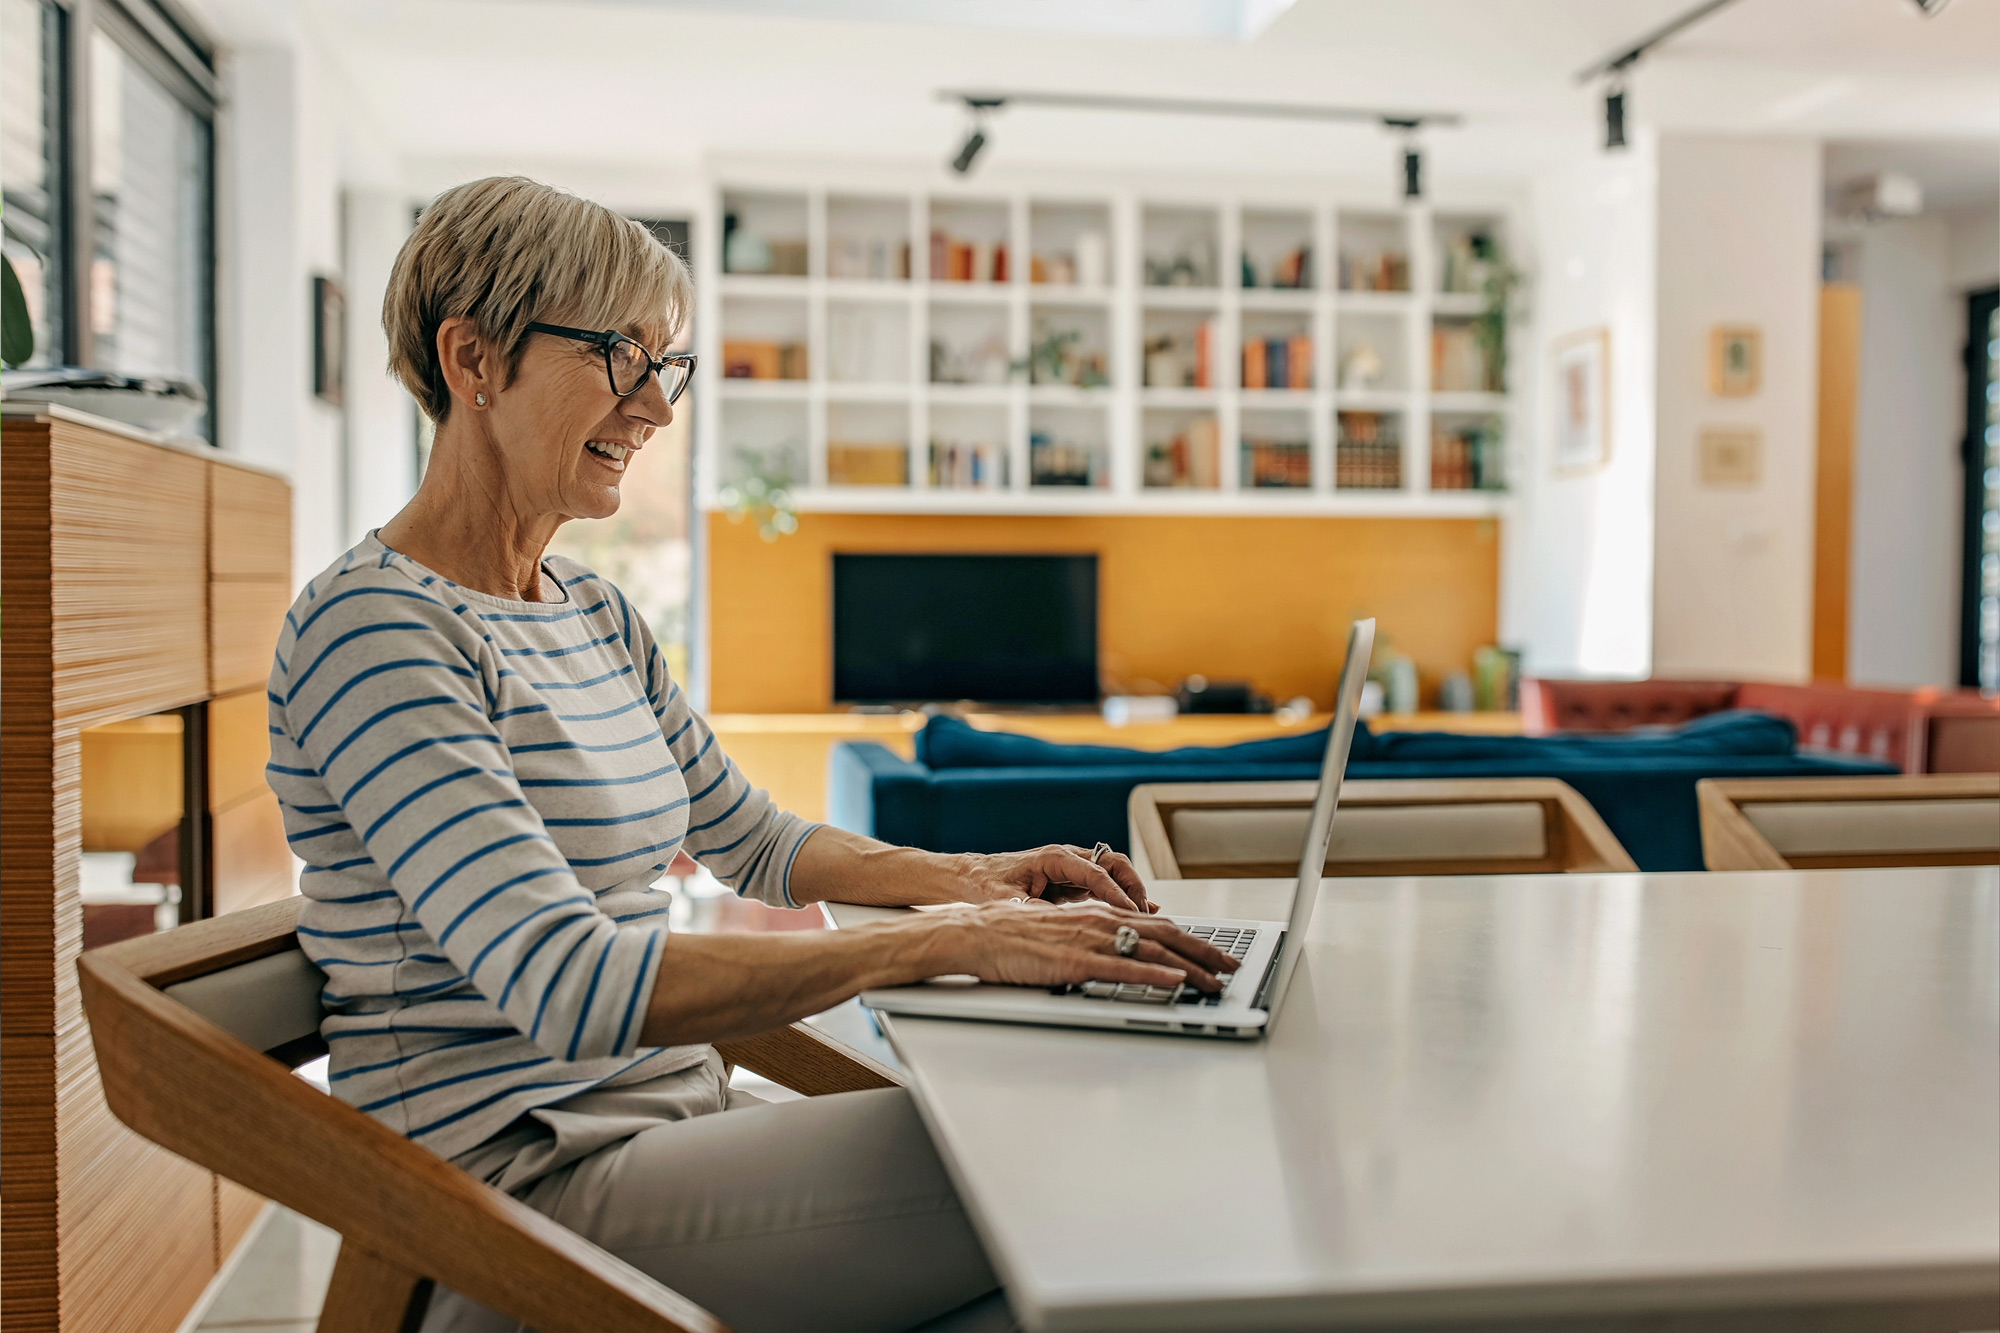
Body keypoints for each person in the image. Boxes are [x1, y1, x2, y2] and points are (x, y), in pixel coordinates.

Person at [266, 176, 1236, 1333]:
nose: (655, 408)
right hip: (521, 1199)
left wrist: (977, 876)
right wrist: (950, 943)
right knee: (1068, 1151)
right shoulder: (374, 632)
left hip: (681, 1129)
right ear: (472, 358)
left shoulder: (592, 611)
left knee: (1076, 1167)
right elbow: (565, 981)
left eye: (660, 365)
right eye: (619, 356)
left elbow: (753, 841)